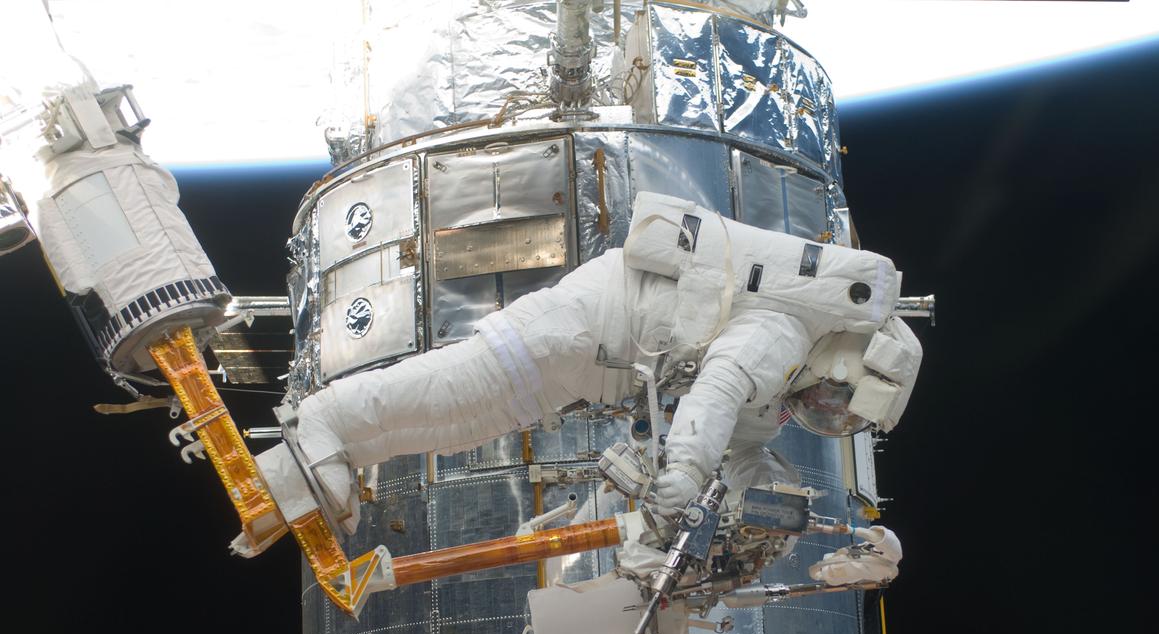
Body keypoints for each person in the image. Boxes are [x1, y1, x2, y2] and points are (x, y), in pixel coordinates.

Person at [256, 191, 922, 536]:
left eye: (836, 419)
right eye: (836, 400)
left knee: (456, 425)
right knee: (452, 390)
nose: (820, 411)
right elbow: (717, 391)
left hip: (582, 367)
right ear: (845, 360)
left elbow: (744, 443)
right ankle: (319, 421)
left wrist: (771, 492)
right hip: (578, 330)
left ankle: (333, 454)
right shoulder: (782, 334)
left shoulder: (786, 377)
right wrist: (687, 469)